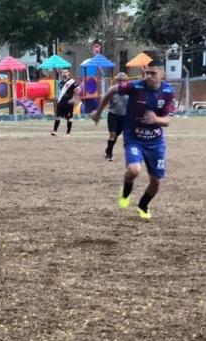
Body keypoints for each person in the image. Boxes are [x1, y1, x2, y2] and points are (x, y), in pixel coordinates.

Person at [91, 58, 175, 220]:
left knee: (156, 181)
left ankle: (143, 205)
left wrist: (156, 120)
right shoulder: (135, 86)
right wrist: (98, 112)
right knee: (134, 169)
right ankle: (125, 191)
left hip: (155, 142)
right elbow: (112, 90)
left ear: (162, 74)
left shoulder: (167, 92)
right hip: (134, 137)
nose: (149, 76)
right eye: (147, 73)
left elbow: (167, 121)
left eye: (153, 73)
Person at [103, 72, 130, 161]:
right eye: (120, 80)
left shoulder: (129, 90)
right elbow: (105, 100)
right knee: (112, 133)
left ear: (126, 81)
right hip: (113, 114)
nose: (122, 82)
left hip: (124, 115)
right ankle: (109, 154)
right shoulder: (112, 89)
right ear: (117, 81)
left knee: (116, 135)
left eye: (124, 80)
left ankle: (108, 149)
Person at [51, 68, 80, 136]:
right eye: (63, 72)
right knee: (57, 116)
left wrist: (74, 98)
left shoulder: (72, 81)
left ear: (68, 73)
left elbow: (78, 89)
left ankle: (68, 133)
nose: (64, 73)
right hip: (61, 102)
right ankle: (54, 131)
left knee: (69, 118)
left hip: (68, 103)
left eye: (66, 72)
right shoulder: (61, 82)